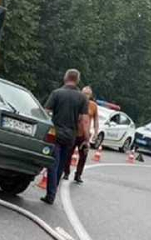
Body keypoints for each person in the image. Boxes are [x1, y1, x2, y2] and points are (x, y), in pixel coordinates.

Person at [41, 69, 89, 205]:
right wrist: (86, 139)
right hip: (70, 136)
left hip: (55, 133)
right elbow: (84, 121)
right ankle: (52, 192)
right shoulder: (82, 98)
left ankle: (51, 194)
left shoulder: (57, 93)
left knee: (53, 164)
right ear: (77, 80)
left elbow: (46, 112)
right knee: (61, 165)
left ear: (65, 77)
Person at [63, 86, 97, 183]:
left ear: (90, 95)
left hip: (85, 134)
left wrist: (96, 132)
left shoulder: (93, 106)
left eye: (87, 94)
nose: (85, 95)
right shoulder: (76, 102)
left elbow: (96, 120)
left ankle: (78, 175)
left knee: (83, 156)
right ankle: (66, 172)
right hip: (74, 132)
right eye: (84, 93)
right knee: (68, 153)